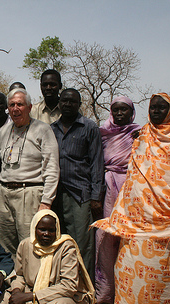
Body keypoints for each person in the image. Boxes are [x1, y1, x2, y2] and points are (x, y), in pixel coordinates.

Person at [93, 93, 170, 304]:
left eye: (162, 108)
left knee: (167, 267)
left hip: (167, 217)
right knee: (130, 263)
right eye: (154, 107)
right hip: (138, 215)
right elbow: (135, 176)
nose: (157, 111)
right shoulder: (141, 137)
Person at [0, 209, 95, 304]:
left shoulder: (66, 247)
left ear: (57, 230)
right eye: (42, 229)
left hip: (60, 297)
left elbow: (68, 286)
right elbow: (19, 275)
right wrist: (17, 292)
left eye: (51, 230)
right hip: (31, 291)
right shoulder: (26, 245)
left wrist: (29, 297)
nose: (46, 234)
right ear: (34, 229)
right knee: (6, 297)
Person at [0, 88, 60, 256]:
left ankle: (34, 280)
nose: (15, 108)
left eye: (20, 104)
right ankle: (12, 279)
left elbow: (52, 167)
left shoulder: (43, 130)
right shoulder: (4, 131)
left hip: (30, 193)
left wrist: (46, 201)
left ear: (30, 107)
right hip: (4, 193)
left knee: (30, 242)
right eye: (12, 105)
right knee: (6, 244)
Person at [95, 96, 142, 304]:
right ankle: (104, 294)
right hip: (109, 189)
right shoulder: (103, 133)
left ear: (131, 112)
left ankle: (128, 296)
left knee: (130, 244)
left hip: (134, 190)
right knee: (105, 240)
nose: (120, 113)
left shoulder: (140, 134)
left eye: (124, 109)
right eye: (116, 110)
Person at [51, 88, 104, 282]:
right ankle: (62, 286)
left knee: (82, 244)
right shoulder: (51, 129)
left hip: (80, 194)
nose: (67, 105)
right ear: (59, 103)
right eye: (64, 101)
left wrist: (96, 196)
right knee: (58, 242)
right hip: (56, 194)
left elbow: (97, 163)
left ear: (79, 104)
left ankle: (85, 289)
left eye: (72, 102)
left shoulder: (89, 127)